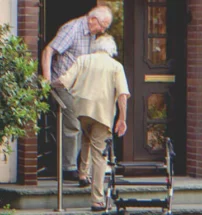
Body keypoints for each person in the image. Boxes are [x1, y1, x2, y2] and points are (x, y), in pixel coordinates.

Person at [51, 34, 130, 211]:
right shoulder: (116, 66)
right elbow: (123, 95)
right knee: (100, 157)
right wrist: (122, 119)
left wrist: (48, 83)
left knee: (87, 137)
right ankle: (97, 199)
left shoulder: (83, 60)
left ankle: (82, 174)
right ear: (112, 50)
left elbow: (63, 81)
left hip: (82, 111)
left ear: (95, 47)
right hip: (102, 113)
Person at [41, 6, 113, 180]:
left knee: (84, 124)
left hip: (81, 88)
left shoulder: (92, 35)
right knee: (72, 124)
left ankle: (82, 168)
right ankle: (68, 167)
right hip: (63, 85)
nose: (103, 30)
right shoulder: (72, 29)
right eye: (102, 25)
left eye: (105, 27)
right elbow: (48, 50)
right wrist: (47, 81)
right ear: (92, 19)